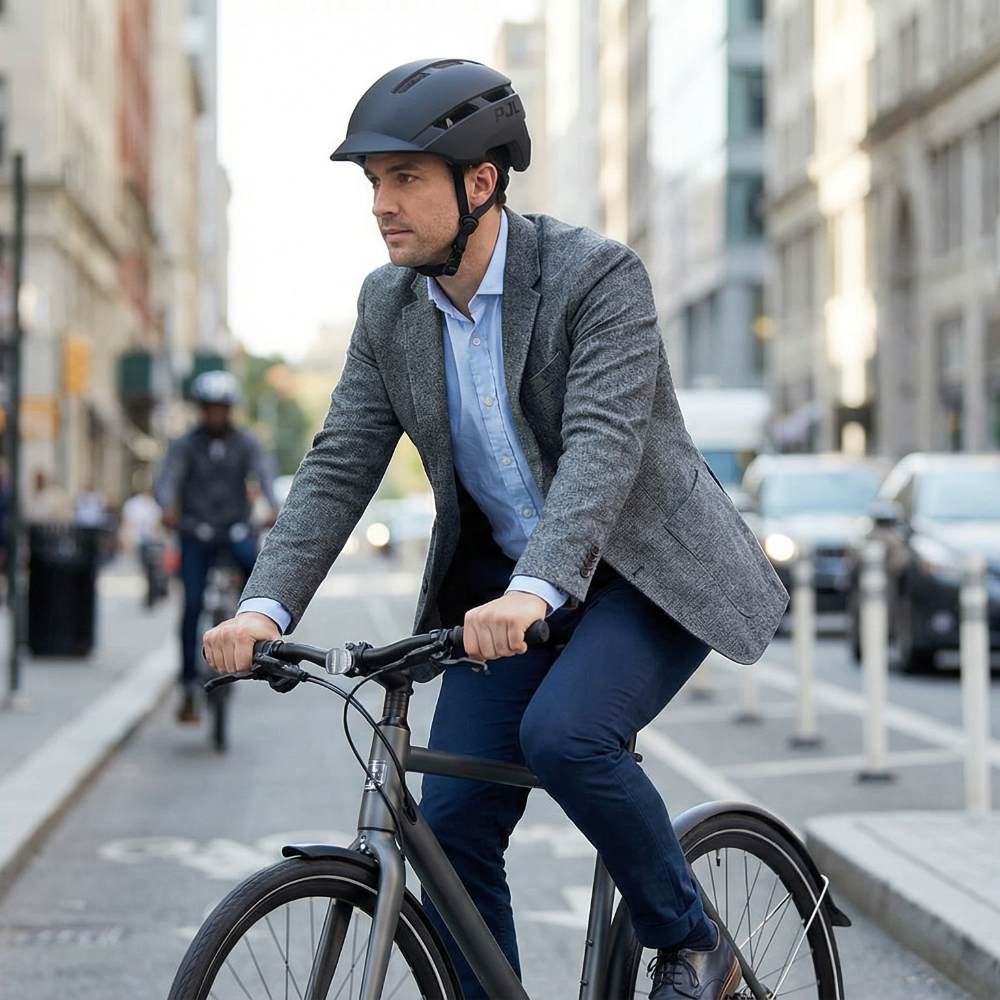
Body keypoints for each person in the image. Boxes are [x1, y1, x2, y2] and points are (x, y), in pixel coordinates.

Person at [203, 59, 787, 1000]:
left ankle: (694, 943)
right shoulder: (388, 306)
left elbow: (601, 452)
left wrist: (535, 588)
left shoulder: (596, 276)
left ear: (481, 184)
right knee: (456, 822)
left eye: (404, 179)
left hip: (644, 574)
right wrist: (263, 606)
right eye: (374, 183)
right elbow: (339, 463)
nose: (381, 204)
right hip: (511, 593)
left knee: (567, 735)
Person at [156, 369, 278, 723]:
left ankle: (250, 630)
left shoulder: (246, 442)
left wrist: (272, 505)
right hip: (195, 531)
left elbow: (264, 472)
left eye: (221, 408)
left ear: (230, 409)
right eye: (209, 408)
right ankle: (188, 684)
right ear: (200, 409)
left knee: (258, 582)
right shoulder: (184, 445)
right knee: (192, 604)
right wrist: (167, 508)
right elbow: (168, 480)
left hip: (235, 529)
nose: (215, 414)